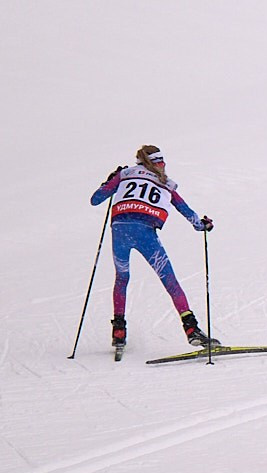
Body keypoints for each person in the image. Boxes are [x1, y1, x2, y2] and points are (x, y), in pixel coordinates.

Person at [89, 145, 214, 357]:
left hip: (120, 230)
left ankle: (119, 330)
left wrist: (109, 180)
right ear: (158, 162)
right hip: (145, 232)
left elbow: (95, 199)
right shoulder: (166, 183)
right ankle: (191, 328)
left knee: (122, 278)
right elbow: (187, 212)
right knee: (169, 280)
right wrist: (203, 225)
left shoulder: (125, 174)